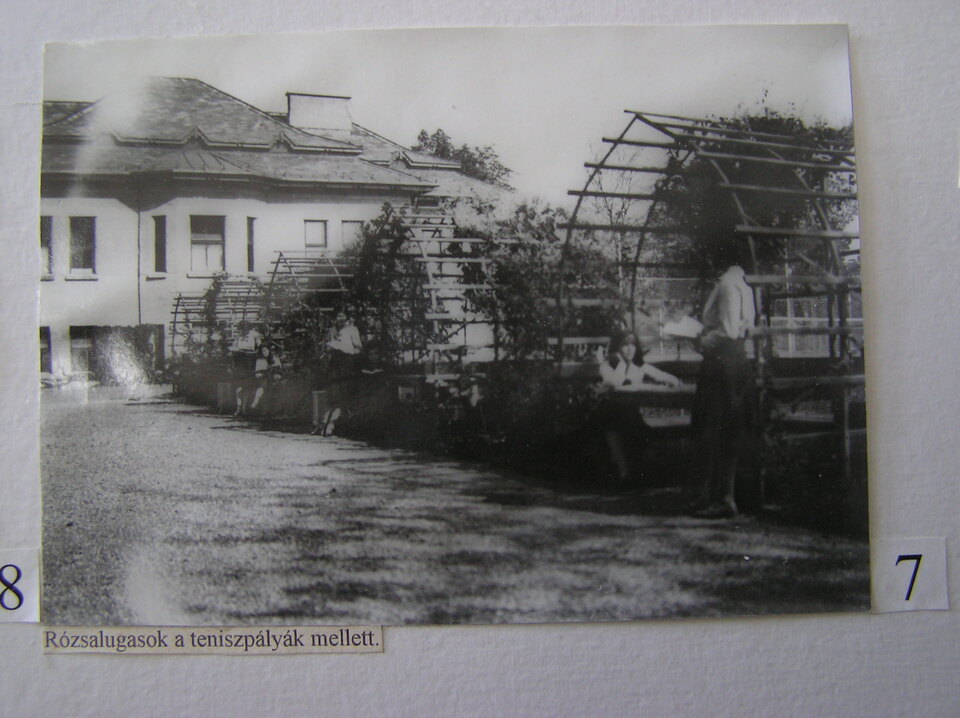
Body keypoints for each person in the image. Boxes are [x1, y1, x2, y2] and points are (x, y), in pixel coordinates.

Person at [690, 264, 757, 518]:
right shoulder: (744, 285)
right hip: (734, 363)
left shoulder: (728, 285)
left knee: (717, 429)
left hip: (722, 367)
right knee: (726, 429)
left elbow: (729, 331)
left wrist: (702, 340)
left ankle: (723, 498)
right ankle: (713, 495)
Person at [596, 329, 681, 485]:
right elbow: (614, 383)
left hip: (631, 414)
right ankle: (623, 471)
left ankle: (632, 470)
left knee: (635, 429)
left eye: (633, 345)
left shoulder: (639, 366)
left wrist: (670, 381)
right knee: (612, 424)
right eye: (625, 345)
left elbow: (668, 378)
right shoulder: (606, 366)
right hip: (610, 415)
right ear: (617, 348)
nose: (630, 349)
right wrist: (621, 364)